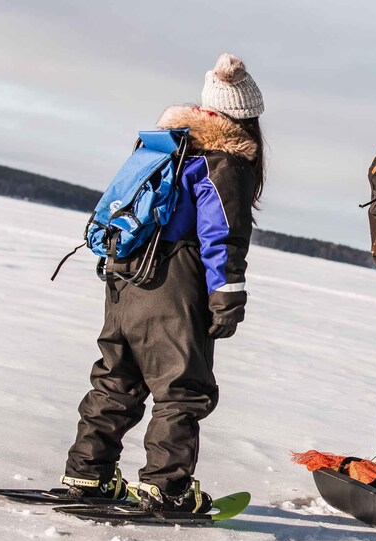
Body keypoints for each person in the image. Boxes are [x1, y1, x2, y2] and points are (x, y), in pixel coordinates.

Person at [60, 53, 266, 513]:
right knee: (183, 387)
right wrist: (227, 294)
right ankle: (165, 487)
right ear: (247, 117)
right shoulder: (224, 159)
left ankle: (87, 474)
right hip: (173, 280)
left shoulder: (163, 147)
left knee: (117, 378)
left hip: (123, 275)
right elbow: (221, 233)